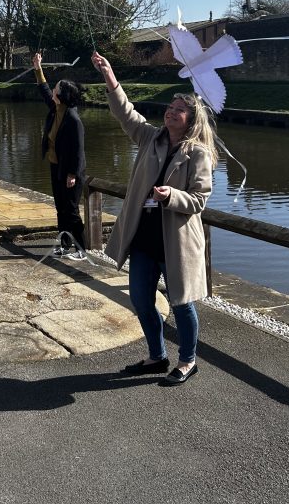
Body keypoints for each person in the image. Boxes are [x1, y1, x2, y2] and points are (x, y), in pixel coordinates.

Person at [91, 51, 216, 385]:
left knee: (182, 303)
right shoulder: (150, 137)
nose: (171, 113)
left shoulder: (198, 153)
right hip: (144, 237)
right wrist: (110, 77)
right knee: (141, 299)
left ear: (191, 119)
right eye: (170, 108)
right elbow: (125, 113)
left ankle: (188, 361)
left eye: (179, 111)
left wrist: (171, 196)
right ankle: (157, 356)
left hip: (175, 242)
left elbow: (200, 199)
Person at [32, 52, 85, 252]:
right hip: (56, 167)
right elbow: (44, 89)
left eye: (57, 88)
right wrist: (38, 68)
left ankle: (82, 247)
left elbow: (78, 151)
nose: (53, 89)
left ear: (62, 95)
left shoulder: (73, 120)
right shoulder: (56, 108)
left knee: (71, 211)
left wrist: (72, 173)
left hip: (71, 172)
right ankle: (64, 244)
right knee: (60, 209)